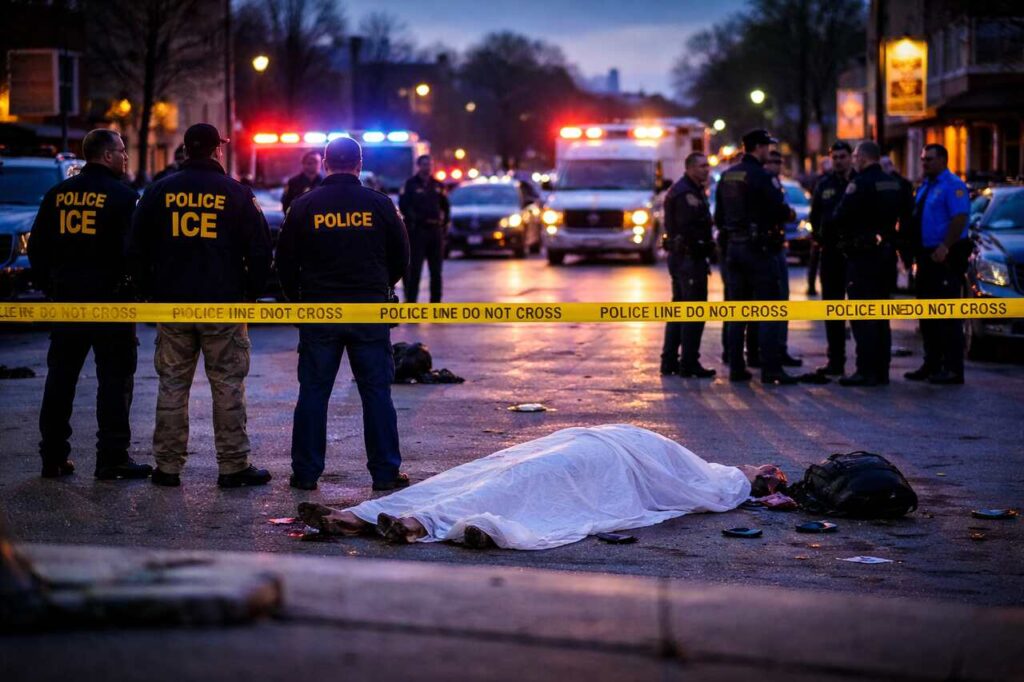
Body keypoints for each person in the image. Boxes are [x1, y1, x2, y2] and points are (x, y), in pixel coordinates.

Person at [295, 425, 784, 550]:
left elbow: (703, 493)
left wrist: (752, 482)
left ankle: (410, 520)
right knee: (485, 475)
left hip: (594, 458)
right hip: (586, 446)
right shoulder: (714, 473)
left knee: (507, 483)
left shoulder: (726, 483)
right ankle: (368, 514)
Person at [127, 123, 273, 487]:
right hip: (223, 305)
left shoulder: (158, 192)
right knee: (227, 383)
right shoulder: (236, 193)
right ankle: (233, 465)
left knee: (172, 384)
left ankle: (168, 466)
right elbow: (259, 249)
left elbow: (135, 248)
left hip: (172, 305)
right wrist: (252, 293)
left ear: (186, 150)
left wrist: (149, 291)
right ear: (216, 150)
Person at [275, 136, 411, 491]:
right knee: (376, 392)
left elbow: (285, 262)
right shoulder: (379, 204)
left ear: (324, 162)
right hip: (369, 310)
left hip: (319, 311)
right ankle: (385, 472)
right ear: (359, 164)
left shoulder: (304, 205)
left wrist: (298, 301)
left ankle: (305, 473)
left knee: (314, 393)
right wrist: (381, 284)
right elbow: (401, 256)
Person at [27, 129, 152, 481]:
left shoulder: (58, 194)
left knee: (61, 378)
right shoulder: (124, 197)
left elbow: (37, 248)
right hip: (112, 304)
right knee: (114, 380)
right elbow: (134, 252)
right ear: (108, 155)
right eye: (123, 151)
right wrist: (136, 289)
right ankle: (112, 457)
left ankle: (52, 456)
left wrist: (52, 287)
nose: (126, 157)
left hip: (67, 302)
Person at [714, 129, 796, 385]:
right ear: (758, 148)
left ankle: (737, 368)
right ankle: (771, 368)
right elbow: (776, 210)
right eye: (766, 147)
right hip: (759, 251)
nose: (768, 152)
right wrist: (789, 214)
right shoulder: (761, 175)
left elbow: (718, 217)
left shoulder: (727, 175)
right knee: (769, 308)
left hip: (734, 249)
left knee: (738, 310)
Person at [831, 141, 902, 387]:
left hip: (863, 258)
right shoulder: (894, 183)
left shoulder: (859, 184)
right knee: (882, 315)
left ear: (862, 158)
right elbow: (907, 218)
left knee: (862, 314)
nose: (853, 160)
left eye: (854, 156)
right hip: (886, 256)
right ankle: (882, 370)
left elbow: (839, 216)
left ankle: (865, 370)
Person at [904, 143, 971, 385]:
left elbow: (960, 217)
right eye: (922, 159)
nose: (924, 163)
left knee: (947, 315)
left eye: (929, 159)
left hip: (944, 257)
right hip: (926, 258)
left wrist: (945, 246)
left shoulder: (952, 185)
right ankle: (932, 363)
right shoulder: (926, 186)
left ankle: (952, 368)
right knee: (927, 313)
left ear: (943, 159)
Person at [660, 152, 715, 378]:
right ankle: (689, 362)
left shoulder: (688, 189)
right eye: (702, 166)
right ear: (690, 167)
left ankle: (670, 360)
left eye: (707, 166)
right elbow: (689, 228)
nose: (706, 170)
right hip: (689, 259)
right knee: (693, 311)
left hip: (684, 258)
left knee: (679, 309)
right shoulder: (686, 193)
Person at [809, 141, 855, 376]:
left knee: (860, 310)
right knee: (833, 309)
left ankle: (865, 363)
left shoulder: (859, 182)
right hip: (831, 254)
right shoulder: (824, 184)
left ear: (851, 158)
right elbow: (814, 216)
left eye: (842, 156)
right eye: (835, 157)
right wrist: (820, 238)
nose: (838, 161)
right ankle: (835, 360)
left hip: (856, 254)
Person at [764, 149, 802, 368]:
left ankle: (780, 348)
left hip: (779, 244)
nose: (776, 165)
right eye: (772, 161)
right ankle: (769, 353)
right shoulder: (765, 183)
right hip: (767, 248)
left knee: (782, 299)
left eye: (779, 161)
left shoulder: (779, 185)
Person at [399, 154, 449, 303]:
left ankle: (435, 308)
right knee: (414, 271)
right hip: (417, 232)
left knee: (436, 272)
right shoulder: (410, 184)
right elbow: (404, 206)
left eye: (429, 164)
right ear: (419, 166)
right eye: (424, 164)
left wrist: (444, 225)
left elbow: (446, 207)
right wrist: (413, 220)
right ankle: (412, 306)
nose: (427, 167)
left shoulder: (438, 185)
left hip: (435, 232)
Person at [880, 155, 917, 294]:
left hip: (897, 229)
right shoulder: (903, 182)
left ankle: (902, 283)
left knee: (899, 258)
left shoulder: (896, 183)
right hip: (901, 229)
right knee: (902, 258)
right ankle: (903, 283)